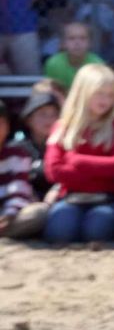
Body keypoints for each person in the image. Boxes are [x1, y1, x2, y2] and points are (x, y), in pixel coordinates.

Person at [43, 64, 114, 244]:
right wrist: (99, 171)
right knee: (60, 233)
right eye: (99, 93)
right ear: (83, 93)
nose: (105, 100)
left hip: (107, 199)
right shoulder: (62, 127)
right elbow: (53, 170)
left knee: (96, 232)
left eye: (111, 95)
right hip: (71, 198)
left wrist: (77, 161)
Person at [0, 100, 47, 239]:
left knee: (39, 212)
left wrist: (8, 214)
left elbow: (18, 190)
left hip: (8, 213)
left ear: (8, 127)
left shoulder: (17, 155)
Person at [44, 22, 104, 90]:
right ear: (62, 43)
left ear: (90, 43)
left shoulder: (98, 65)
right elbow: (53, 91)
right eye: (71, 38)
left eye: (83, 38)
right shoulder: (53, 64)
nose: (77, 43)